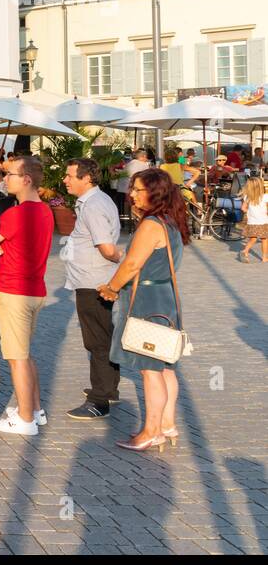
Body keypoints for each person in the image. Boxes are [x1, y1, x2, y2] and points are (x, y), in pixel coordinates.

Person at [99, 168, 189, 451]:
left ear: (156, 192)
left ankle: (151, 430)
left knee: (150, 369)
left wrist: (111, 288)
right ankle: (167, 424)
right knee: (164, 366)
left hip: (146, 297)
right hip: (164, 295)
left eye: (138, 189)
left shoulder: (152, 224)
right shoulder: (170, 220)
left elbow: (132, 264)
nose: (132, 193)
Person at [0, 156, 54, 438]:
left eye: (10, 174)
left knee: (16, 358)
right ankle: (35, 410)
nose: (5, 179)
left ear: (26, 179)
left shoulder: (15, 215)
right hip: (35, 289)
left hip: (13, 291)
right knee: (25, 354)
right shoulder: (45, 211)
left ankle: (25, 418)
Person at [63, 158, 124, 420]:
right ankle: (108, 388)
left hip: (94, 282)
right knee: (104, 337)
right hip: (92, 279)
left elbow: (107, 249)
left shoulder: (93, 206)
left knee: (97, 340)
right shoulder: (94, 201)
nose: (65, 180)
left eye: (69, 176)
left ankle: (99, 401)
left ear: (86, 178)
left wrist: (125, 259)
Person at [239, 176, 268, 263]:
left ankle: (245, 250)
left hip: (252, 222)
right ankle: (264, 257)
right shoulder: (265, 197)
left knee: (253, 238)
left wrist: (251, 212)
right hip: (263, 221)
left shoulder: (247, 197)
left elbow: (243, 208)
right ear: (260, 186)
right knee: (265, 239)